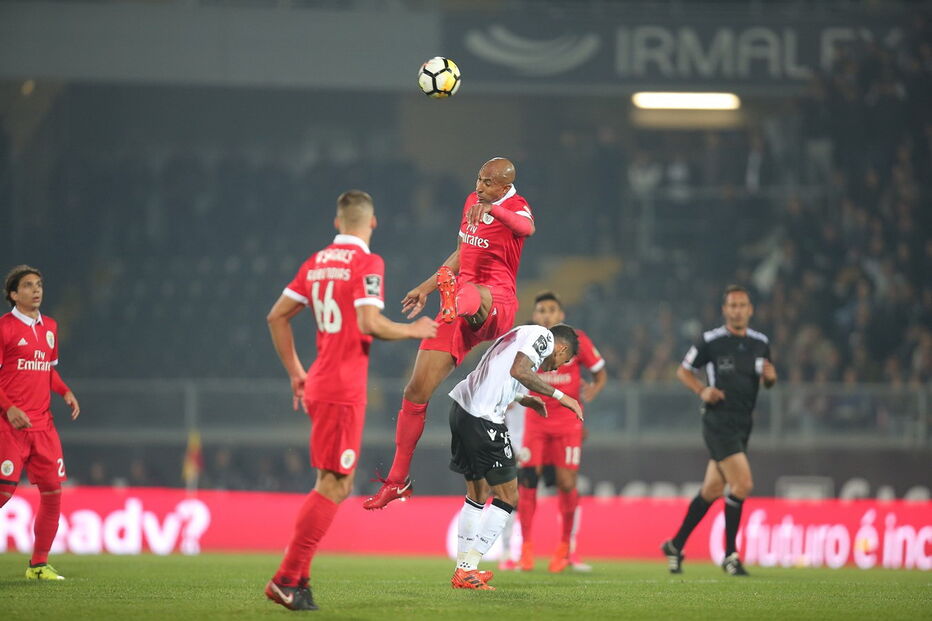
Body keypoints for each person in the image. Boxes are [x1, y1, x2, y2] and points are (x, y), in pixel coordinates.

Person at [263, 191, 437, 611]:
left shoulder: (316, 262)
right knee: (335, 484)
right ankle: (286, 579)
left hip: (321, 381)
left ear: (337, 222)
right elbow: (369, 322)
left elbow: (276, 316)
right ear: (372, 222)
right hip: (342, 388)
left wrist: (296, 372)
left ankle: (299, 581)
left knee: (330, 482)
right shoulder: (367, 262)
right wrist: (413, 330)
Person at [363, 157, 535, 510]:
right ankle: (397, 481)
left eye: (487, 183)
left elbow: (527, 228)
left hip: (496, 303)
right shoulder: (472, 201)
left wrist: (494, 210)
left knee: (471, 293)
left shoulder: (516, 205)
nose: (479, 186)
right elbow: (461, 252)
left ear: (504, 187)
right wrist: (426, 288)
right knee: (415, 390)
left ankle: (455, 300)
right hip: (456, 305)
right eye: (478, 179)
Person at [448, 323, 581, 590]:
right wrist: (562, 396)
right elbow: (518, 370)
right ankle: (468, 565)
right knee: (509, 496)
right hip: (484, 418)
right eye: (563, 361)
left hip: (462, 409)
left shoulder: (521, 332)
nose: (556, 369)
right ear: (561, 348)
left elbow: (499, 372)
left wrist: (521, 398)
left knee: (477, 494)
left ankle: (464, 570)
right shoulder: (544, 336)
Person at [661, 285, 777, 577]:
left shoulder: (760, 343)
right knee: (742, 485)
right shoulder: (711, 341)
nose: (737, 310)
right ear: (725, 310)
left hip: (743, 422)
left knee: (712, 490)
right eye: (732, 305)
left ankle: (675, 545)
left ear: (750, 310)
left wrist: (771, 379)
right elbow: (683, 370)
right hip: (718, 421)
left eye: (742, 305)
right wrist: (703, 390)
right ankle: (730, 555)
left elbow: (765, 379)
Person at [0, 265, 80, 580]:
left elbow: (47, 368)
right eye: (28, 285)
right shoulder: (4, 328)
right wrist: (8, 408)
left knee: (52, 492)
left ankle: (38, 566)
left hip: (43, 426)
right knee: (4, 493)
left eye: (39, 285)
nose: (36, 290)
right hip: (11, 426)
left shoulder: (50, 327)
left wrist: (64, 391)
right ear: (13, 294)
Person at [517, 292, 607, 573]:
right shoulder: (527, 339)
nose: (547, 315)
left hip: (568, 424)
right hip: (536, 421)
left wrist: (595, 388)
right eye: (541, 310)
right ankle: (526, 549)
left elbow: (600, 372)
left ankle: (565, 549)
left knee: (567, 483)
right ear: (534, 315)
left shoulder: (575, 341)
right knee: (528, 481)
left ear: (561, 315)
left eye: (552, 310)